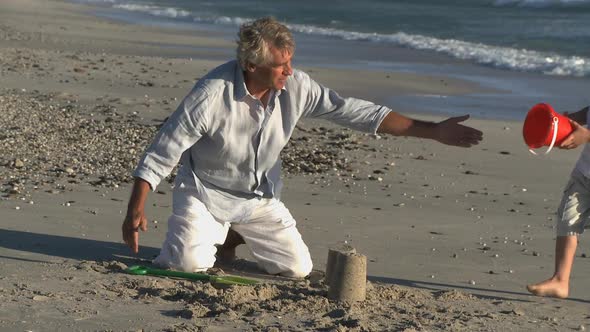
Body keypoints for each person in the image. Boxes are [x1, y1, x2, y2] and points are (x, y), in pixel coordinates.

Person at [121, 17, 483, 278]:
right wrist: (135, 207)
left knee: (298, 269)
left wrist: (433, 131)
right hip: (204, 192)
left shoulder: (297, 87)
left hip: (259, 199)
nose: (289, 72)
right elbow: (164, 149)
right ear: (250, 65)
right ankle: (211, 234)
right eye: (280, 66)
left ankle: (231, 235)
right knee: (188, 265)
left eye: (290, 62)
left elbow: (354, 111)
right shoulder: (210, 95)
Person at [527, 105, 590, 298]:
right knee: (567, 219)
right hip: (584, 174)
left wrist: (586, 136)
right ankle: (560, 280)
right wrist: (566, 121)